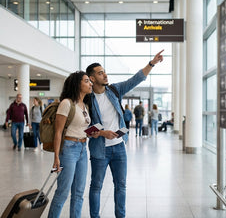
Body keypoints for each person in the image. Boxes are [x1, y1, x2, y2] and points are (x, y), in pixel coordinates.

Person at [85, 49, 164, 218]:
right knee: (96, 186)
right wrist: (101, 132)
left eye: (104, 72)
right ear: (92, 78)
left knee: (121, 186)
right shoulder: (87, 99)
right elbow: (84, 128)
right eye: (100, 73)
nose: (105, 75)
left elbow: (135, 79)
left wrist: (152, 63)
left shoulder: (114, 90)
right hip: (100, 150)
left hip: (119, 148)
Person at [48, 71, 97, 218]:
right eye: (87, 81)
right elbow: (58, 132)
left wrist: (91, 132)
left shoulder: (84, 105)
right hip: (69, 149)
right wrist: (56, 157)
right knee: (63, 192)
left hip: (83, 148)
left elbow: (80, 128)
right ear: (78, 84)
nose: (91, 84)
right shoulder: (66, 103)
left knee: (79, 192)